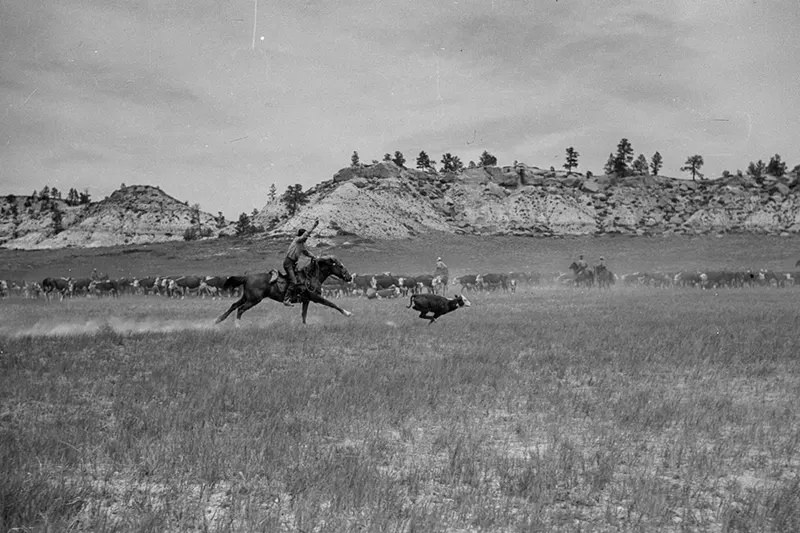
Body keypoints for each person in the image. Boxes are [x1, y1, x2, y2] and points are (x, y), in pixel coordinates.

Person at [283, 219, 320, 306]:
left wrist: (314, 257)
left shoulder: (302, 245)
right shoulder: (297, 240)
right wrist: (314, 226)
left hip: (293, 264)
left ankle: (296, 296)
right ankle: (286, 299)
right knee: (294, 281)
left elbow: (306, 252)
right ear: (302, 235)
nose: (306, 239)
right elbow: (305, 236)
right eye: (306, 237)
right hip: (288, 263)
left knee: (301, 280)